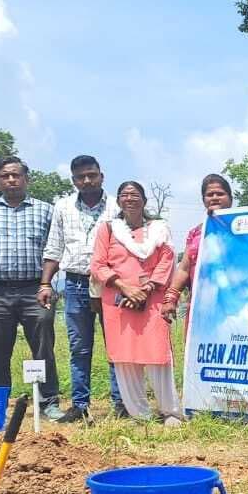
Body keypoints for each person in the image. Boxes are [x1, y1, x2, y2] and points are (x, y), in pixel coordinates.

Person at [0, 156, 63, 420]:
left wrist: (45, 283)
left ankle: (48, 402)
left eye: (16, 175)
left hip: (36, 289)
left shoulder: (46, 210)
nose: (11, 180)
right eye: (5, 176)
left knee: (43, 347)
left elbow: (55, 248)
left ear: (26, 178)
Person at [40, 155, 124, 423]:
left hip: (111, 284)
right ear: (74, 180)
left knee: (116, 345)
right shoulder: (63, 207)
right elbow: (54, 247)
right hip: (75, 283)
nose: (87, 181)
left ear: (102, 176)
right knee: (79, 347)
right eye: (80, 177)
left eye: (92, 175)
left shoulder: (118, 206)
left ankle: (120, 403)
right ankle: (79, 405)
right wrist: (45, 283)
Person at [90, 182, 183, 426]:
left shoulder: (159, 229)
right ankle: (139, 414)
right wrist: (125, 288)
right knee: (125, 357)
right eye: (124, 195)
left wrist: (147, 288)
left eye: (134, 194)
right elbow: (98, 265)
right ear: (118, 201)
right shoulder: (108, 229)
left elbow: (167, 260)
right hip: (118, 301)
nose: (129, 198)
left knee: (158, 354)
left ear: (144, 200)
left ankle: (170, 411)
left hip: (152, 299)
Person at [162, 174, 233, 329]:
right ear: (204, 200)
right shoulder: (196, 233)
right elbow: (184, 268)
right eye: (209, 194)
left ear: (230, 199)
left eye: (220, 193)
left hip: (234, 306)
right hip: (200, 306)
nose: (215, 198)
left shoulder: (243, 228)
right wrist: (171, 297)